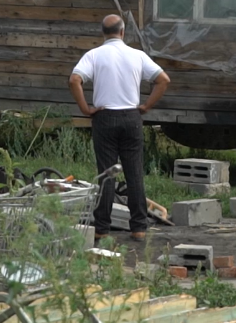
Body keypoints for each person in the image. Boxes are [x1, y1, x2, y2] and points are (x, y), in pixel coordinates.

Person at [68, 15, 170, 243]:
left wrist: (86, 109)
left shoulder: (94, 55)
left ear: (103, 33)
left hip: (104, 117)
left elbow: (75, 80)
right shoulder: (137, 55)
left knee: (106, 175)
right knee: (134, 173)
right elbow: (163, 80)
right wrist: (146, 106)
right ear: (123, 32)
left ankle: (102, 229)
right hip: (131, 117)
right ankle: (139, 228)